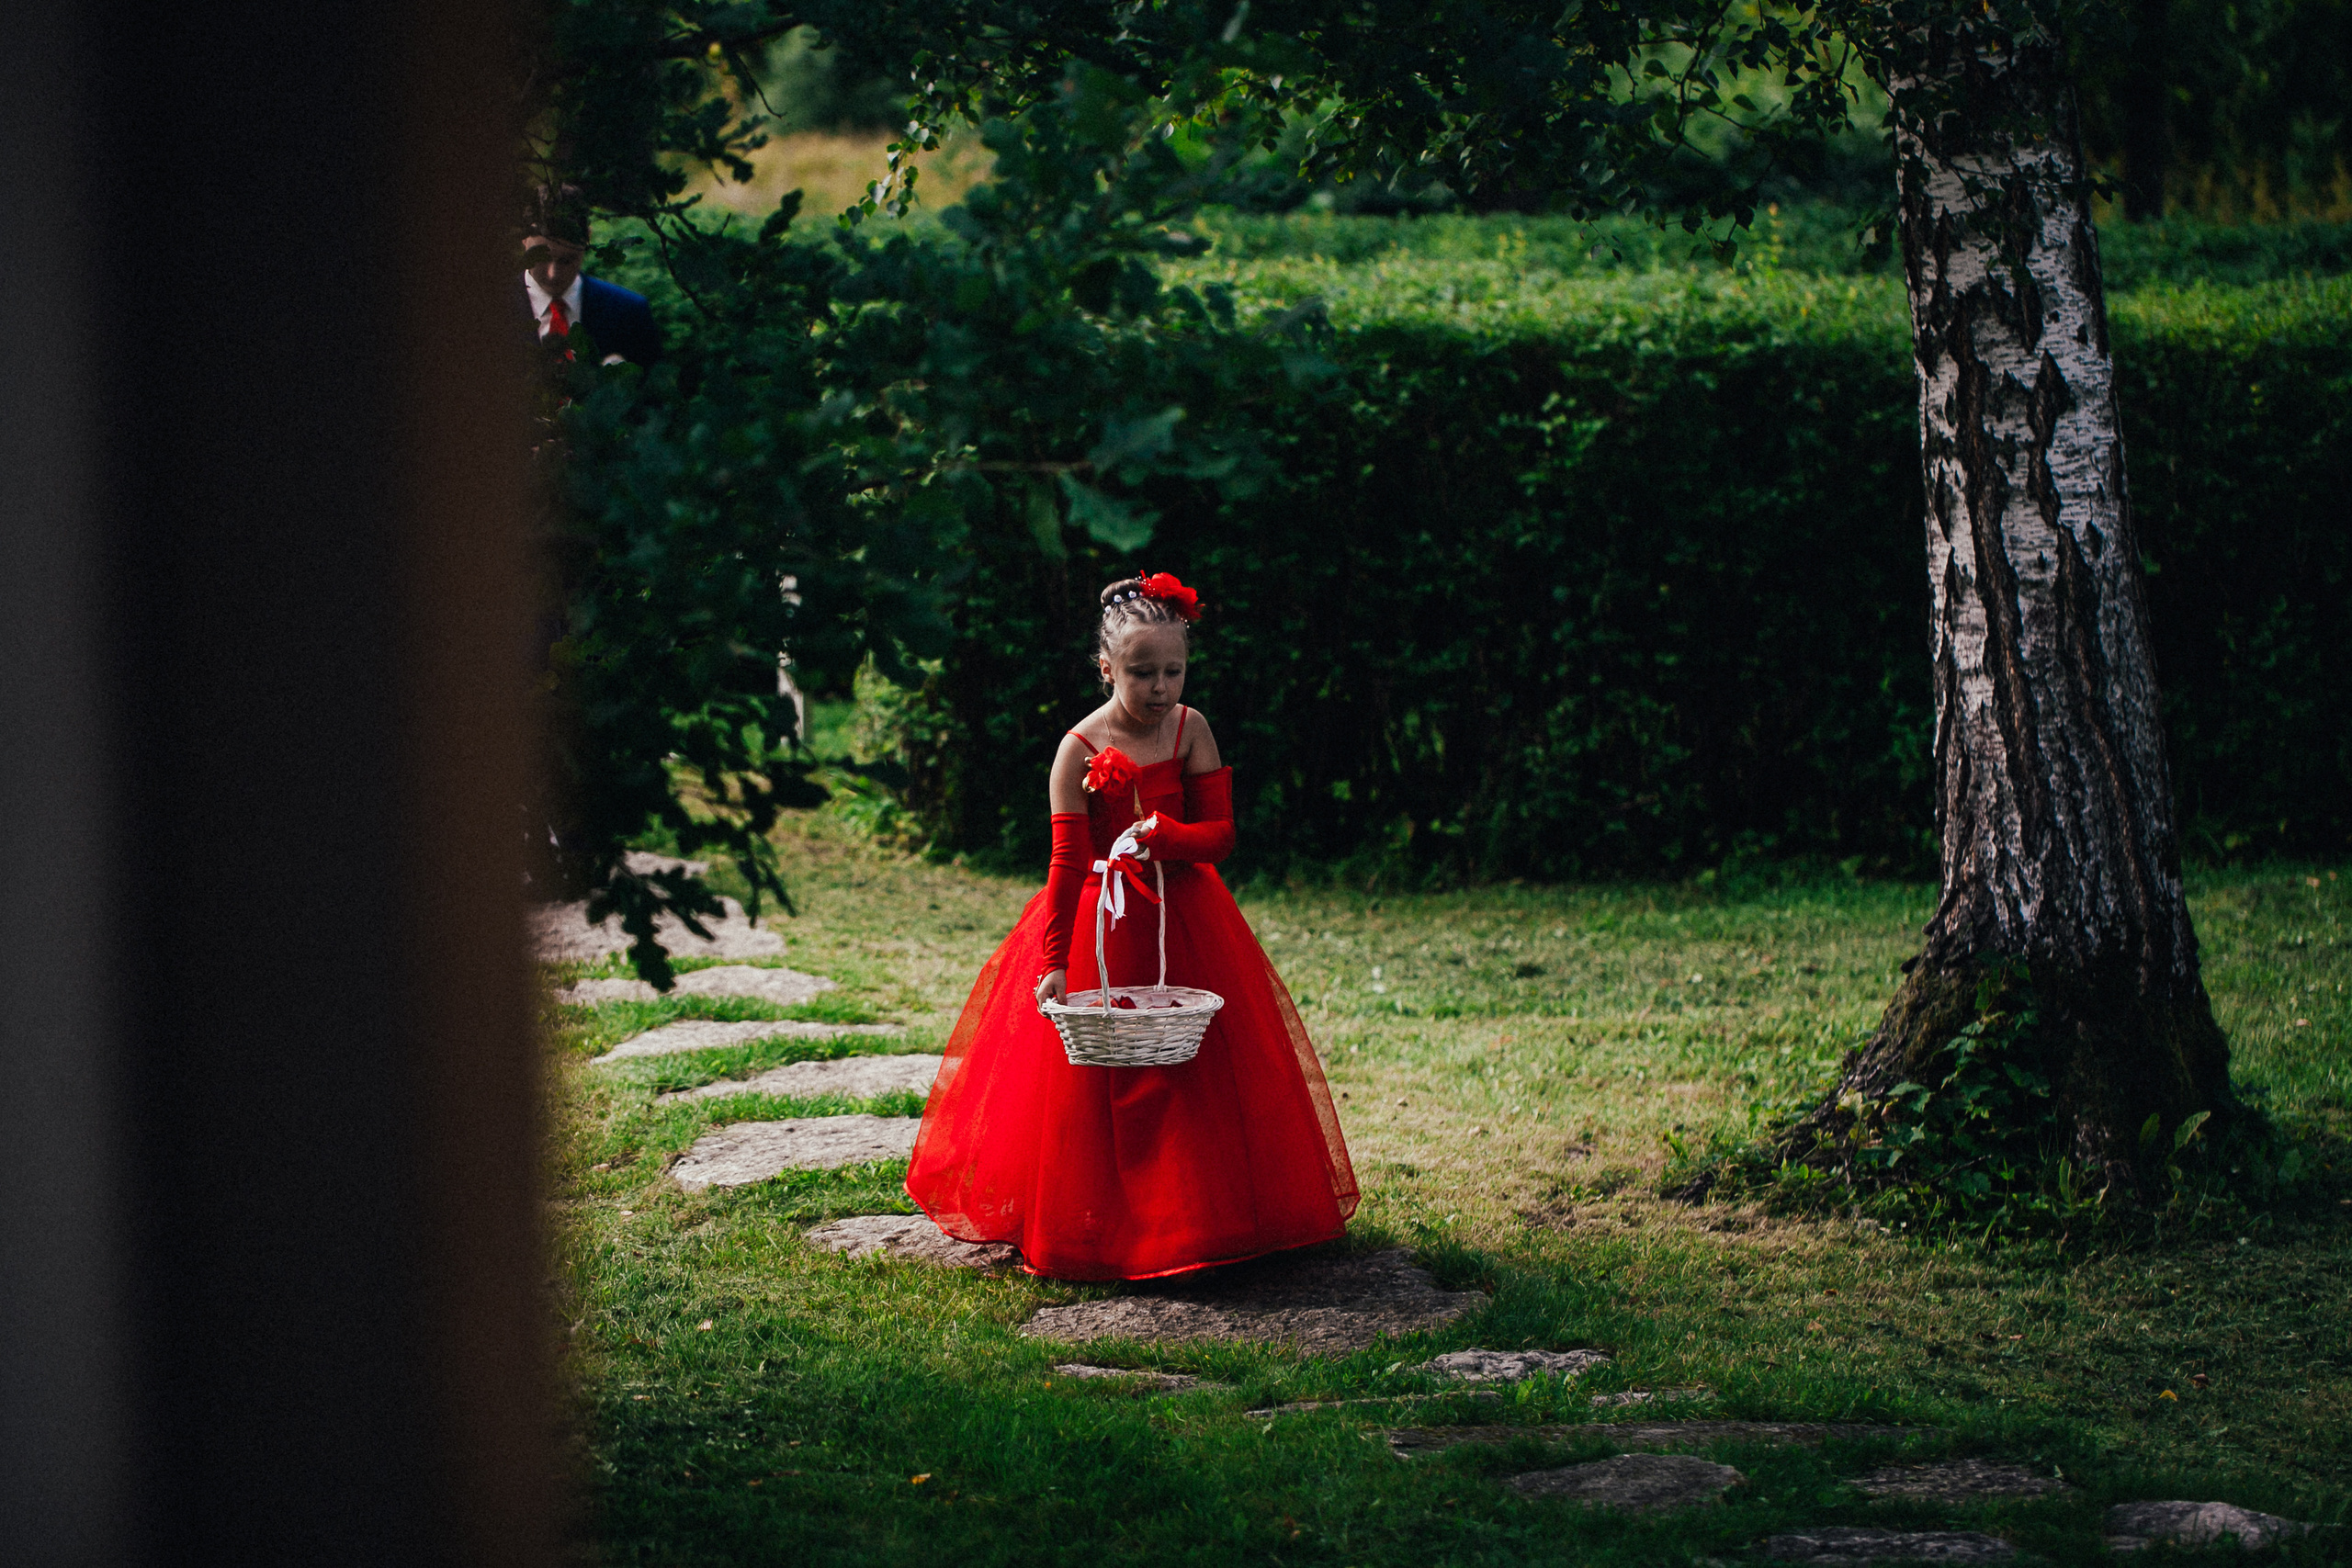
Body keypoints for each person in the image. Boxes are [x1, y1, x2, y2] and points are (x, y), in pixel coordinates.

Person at [905, 572, 1359, 1280]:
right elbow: (1064, 863)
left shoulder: (1191, 729)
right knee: (1106, 1069)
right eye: (1142, 672)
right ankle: (1103, 1227)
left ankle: (1201, 1220)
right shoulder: (1077, 748)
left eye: (1173, 670)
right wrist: (1053, 958)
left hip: (1186, 916)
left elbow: (1220, 835)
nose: (1160, 687)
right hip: (1106, 923)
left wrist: (1166, 834)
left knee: (1194, 1064)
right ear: (1106, 667)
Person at [519, 185, 662, 367]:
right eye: (541, 258)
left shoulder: (629, 314)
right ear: (523, 238)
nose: (553, 274)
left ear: (587, 238)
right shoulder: (487, 313)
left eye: (567, 260)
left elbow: (654, 392)